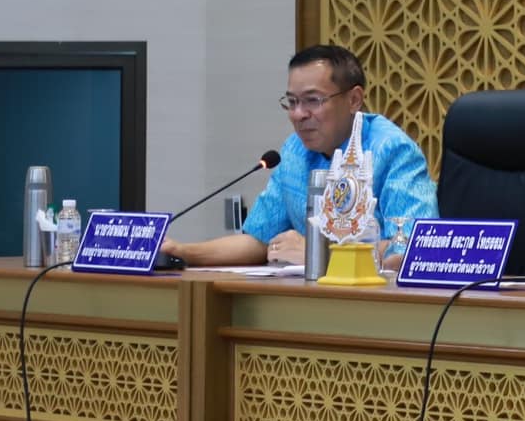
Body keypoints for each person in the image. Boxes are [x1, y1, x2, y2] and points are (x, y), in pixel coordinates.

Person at [162, 45, 438, 267]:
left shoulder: (392, 149)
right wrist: (182, 251)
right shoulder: (294, 151)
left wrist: (320, 253)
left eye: (313, 100)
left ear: (354, 100)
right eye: (292, 102)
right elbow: (258, 240)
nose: (298, 114)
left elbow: (415, 250)